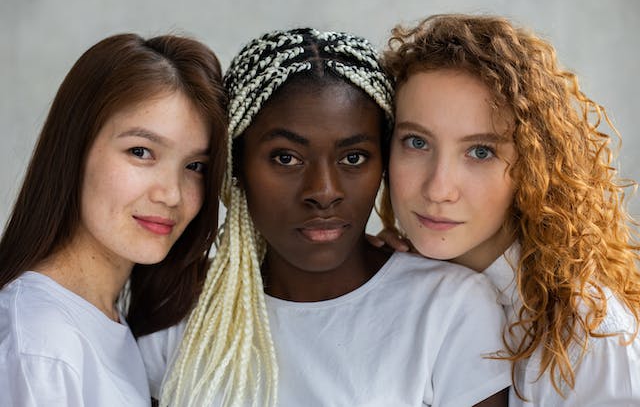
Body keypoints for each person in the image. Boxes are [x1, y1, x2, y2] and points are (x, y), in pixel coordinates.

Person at [138, 27, 511, 407]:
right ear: (236, 165)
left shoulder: (448, 308)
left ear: (383, 163)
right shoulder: (181, 308)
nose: (324, 192)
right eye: (286, 158)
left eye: (353, 158)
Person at [374, 14, 640, 406]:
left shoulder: (587, 335)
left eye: (480, 152)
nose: (439, 188)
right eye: (416, 142)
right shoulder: (391, 281)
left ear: (534, 167)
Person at [0, 33, 227, 406]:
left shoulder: (105, 321)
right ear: (75, 149)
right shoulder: (41, 348)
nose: (171, 193)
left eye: (195, 166)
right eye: (141, 152)